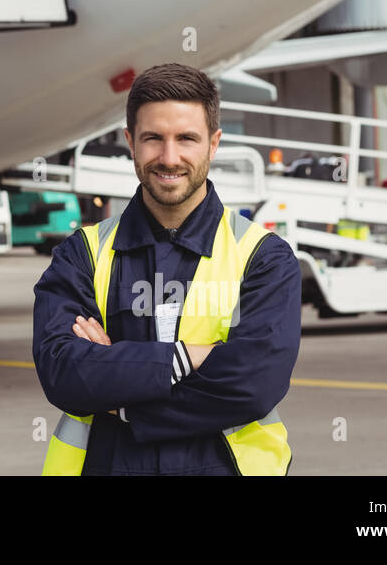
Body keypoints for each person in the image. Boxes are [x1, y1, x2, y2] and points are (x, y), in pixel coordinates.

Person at [33, 63, 301, 475]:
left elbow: (252, 385)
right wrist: (190, 358)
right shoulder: (81, 255)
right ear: (130, 142)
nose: (169, 157)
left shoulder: (264, 258)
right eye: (153, 138)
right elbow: (64, 373)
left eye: (187, 139)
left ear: (213, 144)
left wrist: (122, 402)